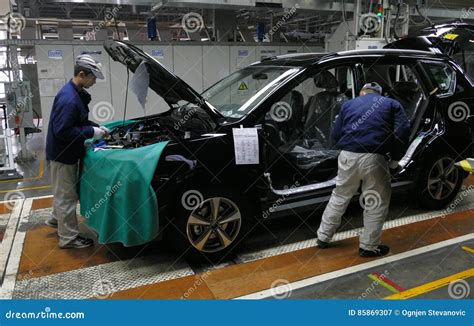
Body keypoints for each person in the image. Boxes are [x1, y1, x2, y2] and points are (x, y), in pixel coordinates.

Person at [316, 82, 410, 257]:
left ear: (361, 93)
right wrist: (395, 160)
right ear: (380, 94)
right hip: (374, 157)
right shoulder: (391, 104)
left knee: (340, 195)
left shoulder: (348, 104)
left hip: (347, 156)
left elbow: (335, 134)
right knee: (375, 201)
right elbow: (402, 131)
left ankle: (323, 237)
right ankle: (368, 247)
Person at [45, 54, 110, 249]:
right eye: (93, 77)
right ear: (82, 74)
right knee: (67, 197)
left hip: (63, 153)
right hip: (63, 156)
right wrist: (91, 131)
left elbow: (77, 122)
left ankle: (56, 220)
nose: (95, 81)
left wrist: (96, 127)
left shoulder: (74, 92)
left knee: (62, 191)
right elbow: (63, 130)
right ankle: (69, 238)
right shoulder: (69, 99)